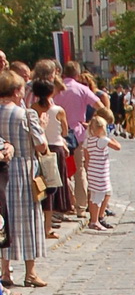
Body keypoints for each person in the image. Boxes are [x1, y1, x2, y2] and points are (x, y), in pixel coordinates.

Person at [0, 69, 50, 291]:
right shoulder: (27, 114)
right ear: (17, 90)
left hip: (3, 169)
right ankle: (30, 272)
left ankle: (5, 271)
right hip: (24, 169)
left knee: (4, 219)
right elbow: (41, 146)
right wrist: (43, 127)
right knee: (29, 220)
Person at [58, 61, 110, 219]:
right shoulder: (82, 89)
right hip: (79, 132)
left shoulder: (58, 89)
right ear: (77, 74)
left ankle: (65, 204)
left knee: (62, 170)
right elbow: (100, 106)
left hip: (58, 133)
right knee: (80, 170)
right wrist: (96, 123)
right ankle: (81, 207)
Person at [28, 78, 72, 231]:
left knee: (40, 186)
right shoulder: (58, 110)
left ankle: (41, 224)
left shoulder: (32, 109)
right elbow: (65, 131)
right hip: (56, 148)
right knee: (52, 187)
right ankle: (48, 226)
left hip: (38, 149)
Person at [82, 116, 120, 230]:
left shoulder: (87, 141)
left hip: (93, 171)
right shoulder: (102, 140)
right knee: (99, 196)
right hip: (101, 173)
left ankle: (96, 218)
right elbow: (118, 147)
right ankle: (95, 220)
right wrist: (111, 138)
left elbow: (87, 157)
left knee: (97, 195)